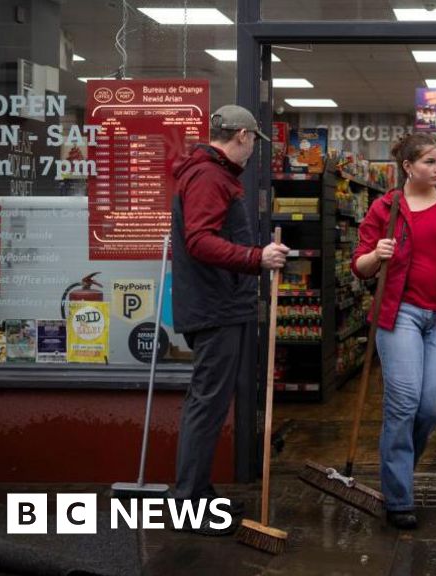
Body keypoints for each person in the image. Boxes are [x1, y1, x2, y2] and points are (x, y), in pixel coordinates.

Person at [351, 133, 436, 529]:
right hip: (400, 315)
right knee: (404, 403)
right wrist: (377, 254)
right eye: (429, 162)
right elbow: (360, 265)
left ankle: (402, 462)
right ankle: (398, 496)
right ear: (408, 167)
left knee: (433, 406)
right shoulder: (385, 207)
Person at [170, 104, 290, 536]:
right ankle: (187, 505)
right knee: (206, 403)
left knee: (212, 402)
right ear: (241, 135)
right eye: (256, 141)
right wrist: (256, 257)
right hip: (215, 307)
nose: (255, 150)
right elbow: (200, 241)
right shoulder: (208, 176)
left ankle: (198, 494)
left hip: (219, 304)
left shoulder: (212, 174)